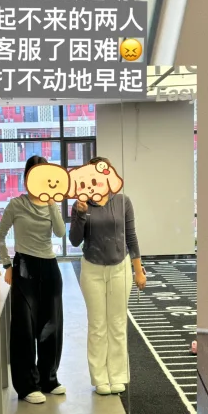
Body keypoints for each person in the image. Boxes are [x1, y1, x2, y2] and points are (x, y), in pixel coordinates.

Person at [68, 158, 147, 396]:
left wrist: (138, 270)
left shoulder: (123, 201)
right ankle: (100, 377)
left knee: (117, 323)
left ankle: (118, 376)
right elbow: (74, 240)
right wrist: (81, 214)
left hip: (120, 267)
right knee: (97, 325)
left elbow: (131, 237)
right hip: (92, 268)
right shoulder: (81, 203)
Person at [0, 155, 68, 405]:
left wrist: (52, 204)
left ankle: (49, 379)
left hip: (50, 266)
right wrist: (7, 265)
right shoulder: (16, 204)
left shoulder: (51, 204)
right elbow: (0, 236)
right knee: (24, 328)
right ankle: (27, 386)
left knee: (51, 326)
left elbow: (60, 232)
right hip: (24, 265)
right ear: (27, 178)